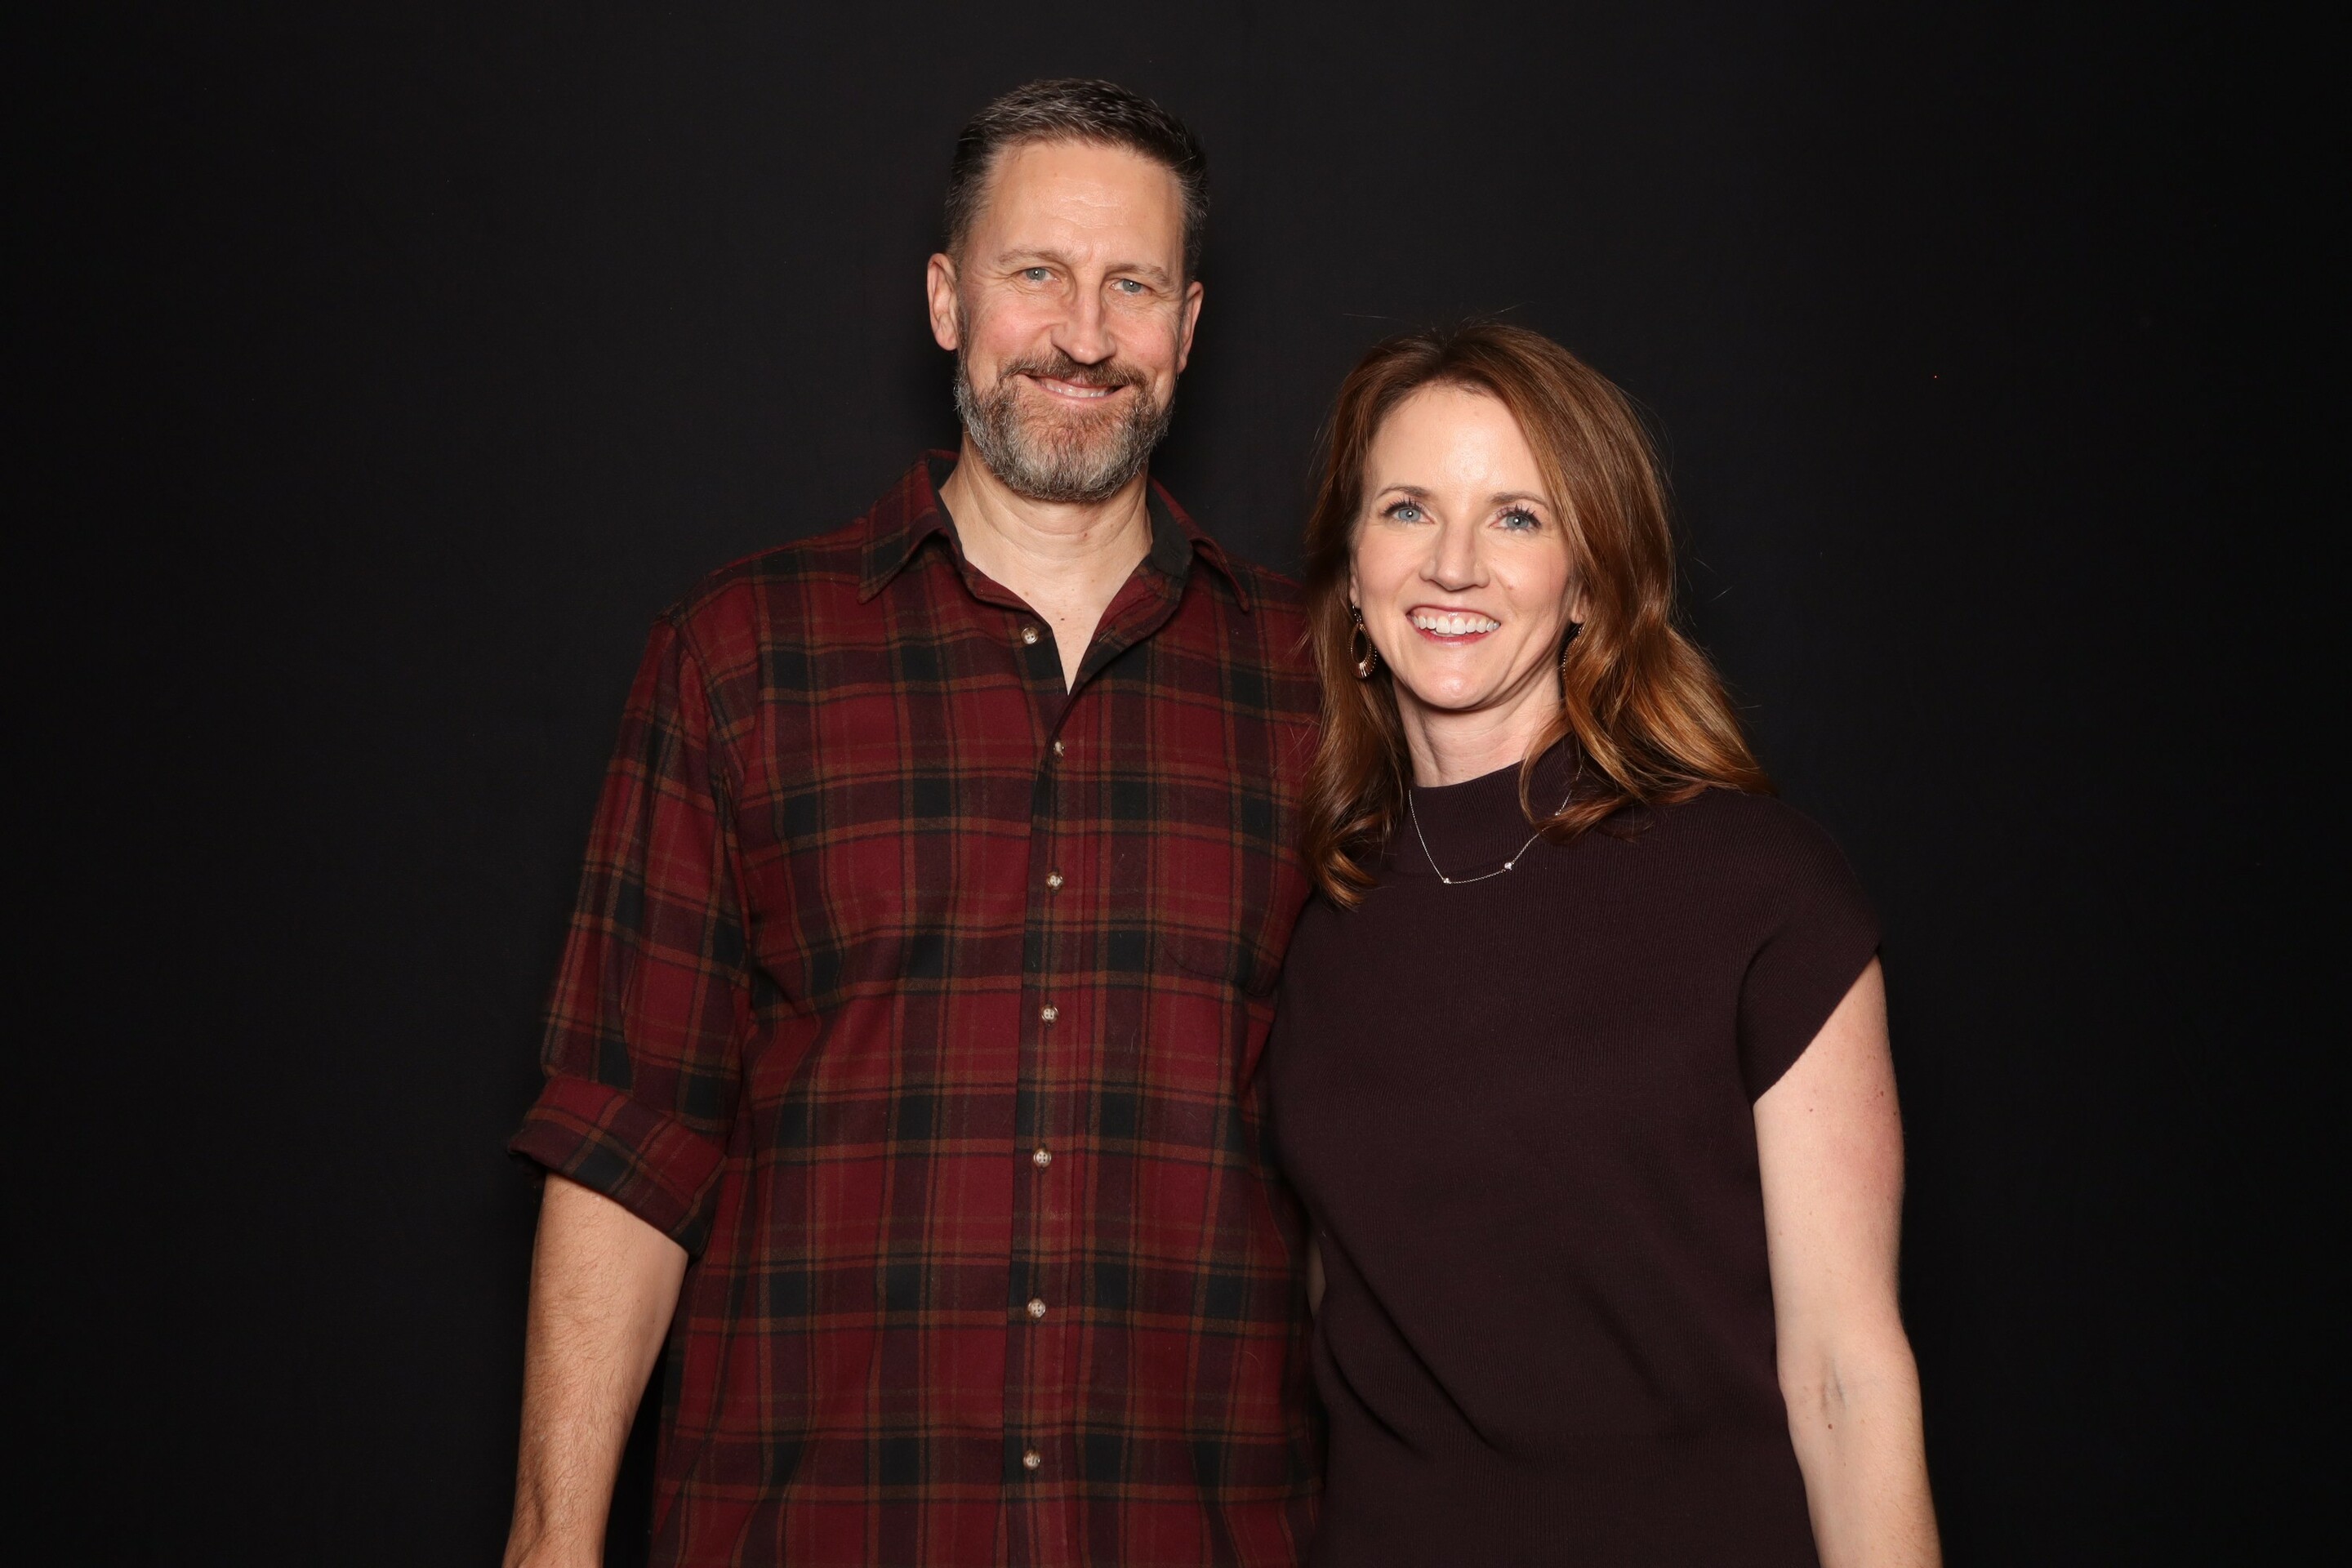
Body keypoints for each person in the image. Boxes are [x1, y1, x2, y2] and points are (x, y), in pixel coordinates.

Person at [502, 80, 1321, 1568]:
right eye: (1037, 274)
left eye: (1133, 285)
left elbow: (1386, 1165)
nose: (1084, 334)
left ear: (1190, 327)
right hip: (812, 1529)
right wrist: (550, 1548)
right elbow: (628, 1142)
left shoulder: (1315, 688)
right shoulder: (742, 657)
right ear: (948, 300)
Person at [1265, 323, 1940, 1566]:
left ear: (1588, 584)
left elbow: (1846, 1376)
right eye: (1409, 510)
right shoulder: (1315, 921)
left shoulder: (1760, 887)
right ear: (1352, 571)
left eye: (1517, 518)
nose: (1454, 565)